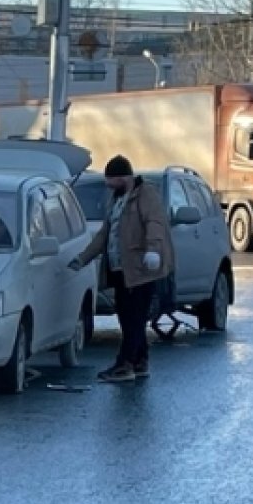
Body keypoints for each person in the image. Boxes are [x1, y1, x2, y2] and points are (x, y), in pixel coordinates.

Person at [69, 155, 174, 383]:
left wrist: (154, 251)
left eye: (111, 181)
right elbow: (105, 235)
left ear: (123, 177)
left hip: (140, 269)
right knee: (128, 317)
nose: (108, 186)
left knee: (133, 319)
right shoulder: (116, 199)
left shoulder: (146, 195)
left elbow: (155, 223)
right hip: (120, 270)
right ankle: (140, 361)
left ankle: (124, 364)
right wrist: (82, 258)